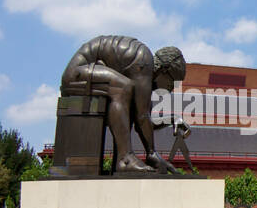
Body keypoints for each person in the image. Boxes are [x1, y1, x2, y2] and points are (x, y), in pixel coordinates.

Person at [60, 35, 187, 173]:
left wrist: (172, 119)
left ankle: (120, 160)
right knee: (123, 88)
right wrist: (152, 154)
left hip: (88, 73)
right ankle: (125, 159)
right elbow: (142, 117)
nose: (170, 90)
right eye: (171, 83)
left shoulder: (141, 76)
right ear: (165, 70)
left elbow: (144, 123)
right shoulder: (144, 61)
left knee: (128, 98)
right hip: (76, 74)